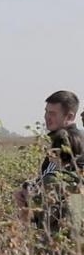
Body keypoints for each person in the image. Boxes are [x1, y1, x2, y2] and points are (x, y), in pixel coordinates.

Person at [15, 90, 84, 234]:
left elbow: (74, 198)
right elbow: (49, 178)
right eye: (46, 112)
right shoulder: (57, 142)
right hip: (50, 229)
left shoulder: (73, 143)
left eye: (52, 113)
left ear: (69, 116)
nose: (47, 117)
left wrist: (30, 206)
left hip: (64, 235)